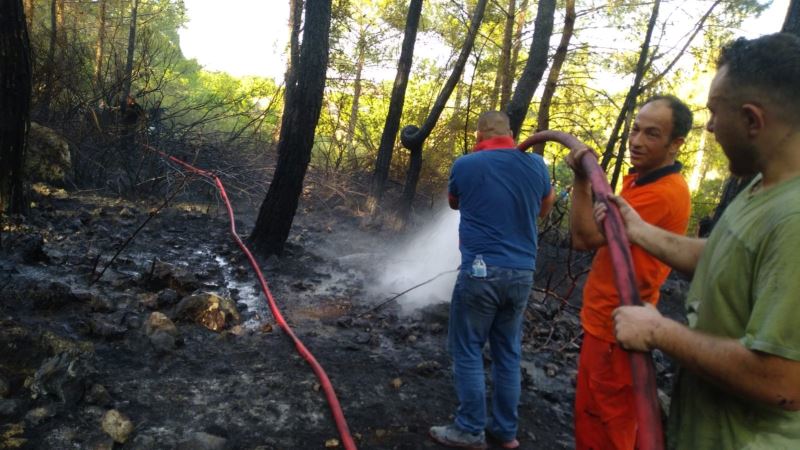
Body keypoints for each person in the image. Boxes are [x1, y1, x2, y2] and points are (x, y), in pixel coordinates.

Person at [600, 33, 800, 449]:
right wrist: (638, 230)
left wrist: (660, 332)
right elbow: (726, 255)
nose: (708, 126)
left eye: (713, 113)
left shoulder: (794, 218)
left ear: (752, 120)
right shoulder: (764, 185)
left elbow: (783, 381)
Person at [566, 95, 693, 449]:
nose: (636, 141)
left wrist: (581, 180)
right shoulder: (643, 181)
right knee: (609, 424)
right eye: (635, 130)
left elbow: (583, 237)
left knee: (602, 433)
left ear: (676, 144)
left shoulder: (662, 193)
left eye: (652, 134)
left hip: (615, 332)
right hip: (609, 325)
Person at [429, 111, 555, 449]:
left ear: (479, 134)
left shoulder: (466, 164)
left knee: (468, 348)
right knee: (508, 352)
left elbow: (454, 203)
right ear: (511, 133)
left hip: (481, 272)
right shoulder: (537, 167)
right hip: (522, 274)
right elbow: (545, 208)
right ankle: (504, 431)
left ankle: (469, 429)